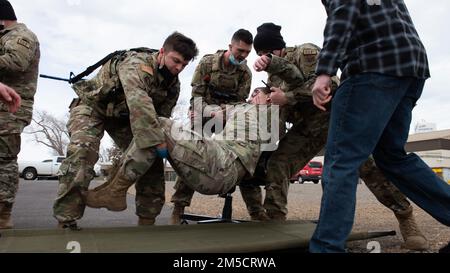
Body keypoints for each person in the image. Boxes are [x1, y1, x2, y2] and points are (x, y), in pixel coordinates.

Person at [249, 22, 429, 250]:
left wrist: (288, 96)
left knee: (370, 170)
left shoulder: (305, 53)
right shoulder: (273, 77)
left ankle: (406, 217)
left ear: (278, 48)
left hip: (337, 119)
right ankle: (274, 225)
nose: (263, 59)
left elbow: (330, 84)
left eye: (266, 53)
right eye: (259, 55)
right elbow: (282, 109)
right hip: (308, 128)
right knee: (278, 162)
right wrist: (266, 105)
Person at [310, 0, 450, 253]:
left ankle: (327, 248)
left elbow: (343, 12)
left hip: (372, 67)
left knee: (342, 161)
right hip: (410, 67)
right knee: (393, 157)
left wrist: (324, 71)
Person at [53, 32, 198, 229]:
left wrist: (159, 143)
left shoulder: (173, 85)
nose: (179, 68)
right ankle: (66, 220)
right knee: (82, 152)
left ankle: (147, 222)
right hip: (93, 107)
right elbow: (139, 102)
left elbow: (159, 118)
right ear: (162, 52)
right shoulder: (137, 64)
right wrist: (156, 140)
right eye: (176, 61)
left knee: (151, 158)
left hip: (124, 117)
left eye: (184, 65)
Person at [85, 87, 278, 208]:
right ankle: (115, 190)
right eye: (252, 94)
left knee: (160, 125)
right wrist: (199, 114)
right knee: (155, 130)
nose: (252, 96)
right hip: (216, 161)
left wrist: (272, 100)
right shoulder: (242, 108)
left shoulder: (271, 112)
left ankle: (115, 191)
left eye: (257, 94)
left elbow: (288, 102)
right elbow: (212, 112)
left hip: (227, 165)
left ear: (268, 98)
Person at [168, 29, 254, 224]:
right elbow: (196, 97)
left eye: (247, 52)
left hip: (228, 120)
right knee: (190, 155)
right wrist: (209, 112)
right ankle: (178, 207)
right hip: (203, 118)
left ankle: (256, 210)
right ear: (230, 46)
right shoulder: (207, 64)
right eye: (240, 50)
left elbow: (240, 104)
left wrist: (221, 113)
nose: (243, 55)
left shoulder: (245, 73)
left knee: (244, 157)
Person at [0, 0, 40, 229]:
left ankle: (3, 213)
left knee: (4, 159)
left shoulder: (21, 36)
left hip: (10, 109)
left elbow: (16, 62)